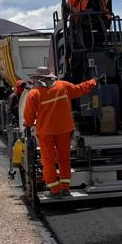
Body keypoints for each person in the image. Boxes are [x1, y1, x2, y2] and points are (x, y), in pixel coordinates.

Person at [20, 66, 99, 198]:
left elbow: (29, 116)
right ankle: (65, 188)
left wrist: (27, 126)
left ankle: (54, 190)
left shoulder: (34, 94)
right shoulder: (63, 86)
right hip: (64, 129)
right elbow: (80, 89)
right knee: (64, 159)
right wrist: (93, 81)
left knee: (48, 161)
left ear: (37, 79)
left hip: (46, 132)